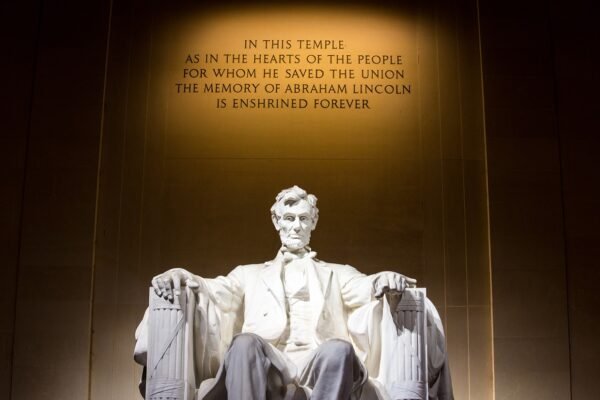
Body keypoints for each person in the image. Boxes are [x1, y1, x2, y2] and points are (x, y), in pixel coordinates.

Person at [134, 186, 453, 400]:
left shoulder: (338, 273)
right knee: (244, 343)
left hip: (319, 360)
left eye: (303, 219)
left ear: (313, 222)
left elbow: (364, 288)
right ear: (276, 222)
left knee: (340, 349)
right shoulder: (249, 273)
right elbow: (216, 290)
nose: (296, 226)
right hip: (267, 363)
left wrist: (383, 278)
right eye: (289, 219)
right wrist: (183, 275)